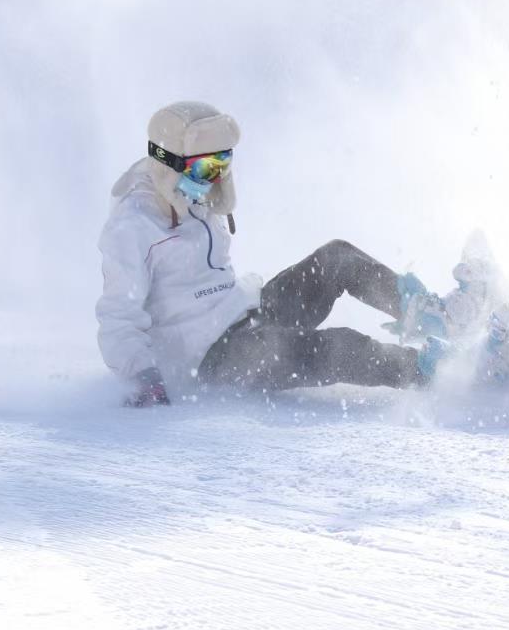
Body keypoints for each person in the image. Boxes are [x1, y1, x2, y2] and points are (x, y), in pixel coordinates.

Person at [95, 101, 445, 407]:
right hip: (212, 360)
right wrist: (144, 379)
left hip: (245, 315)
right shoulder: (133, 227)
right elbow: (117, 318)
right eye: (206, 167)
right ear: (167, 164)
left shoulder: (195, 194)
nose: (215, 177)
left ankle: (430, 314)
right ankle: (437, 370)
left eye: (223, 163)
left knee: (335, 258)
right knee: (335, 347)